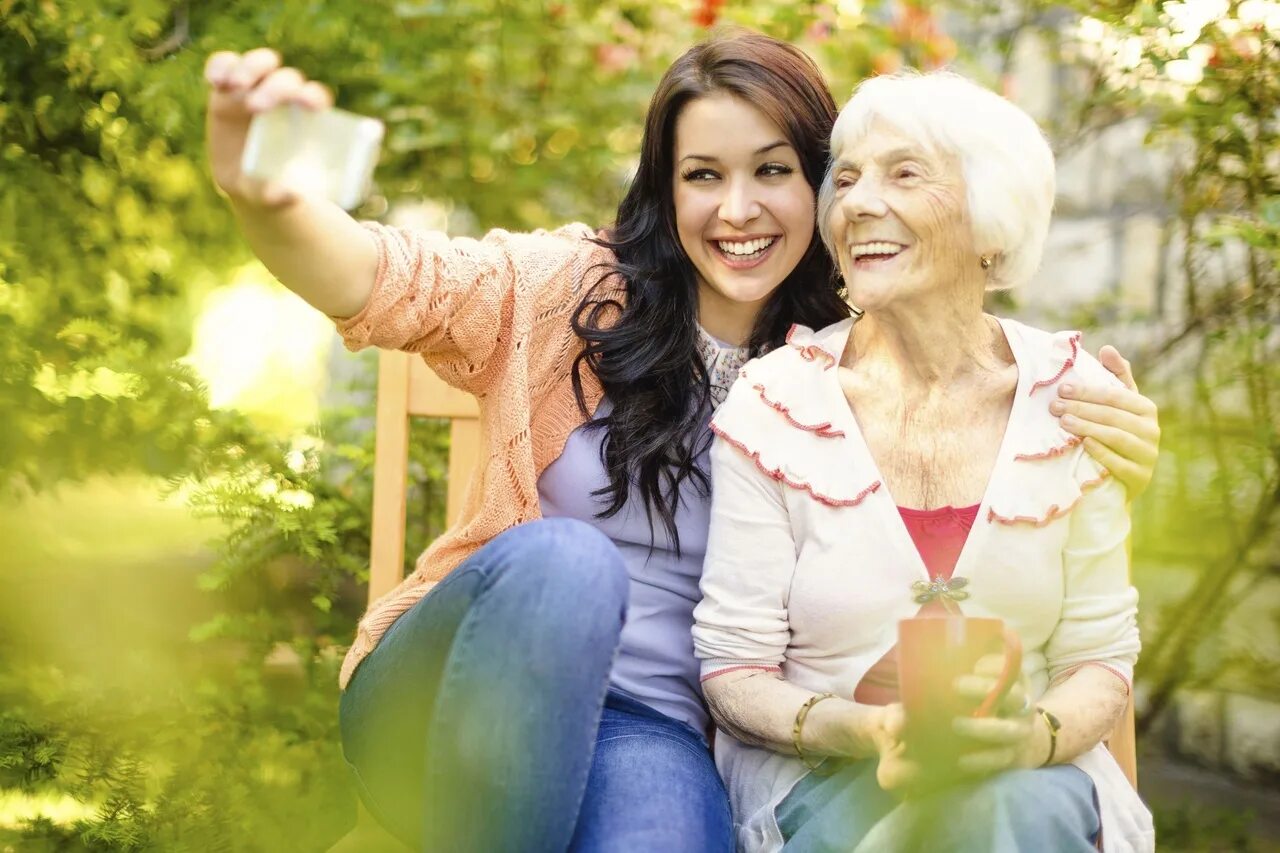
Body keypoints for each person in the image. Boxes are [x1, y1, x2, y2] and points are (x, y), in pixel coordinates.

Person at [203, 32, 1160, 852]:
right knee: (569, 564)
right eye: (703, 175)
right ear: (666, 189)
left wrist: (1107, 439)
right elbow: (381, 276)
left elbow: (986, 475)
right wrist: (270, 200)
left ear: (824, 188)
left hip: (655, 730)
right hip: (460, 695)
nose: (736, 210)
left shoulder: (847, 356)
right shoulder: (566, 293)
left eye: (773, 171)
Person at [691, 69, 1156, 852]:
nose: (858, 203)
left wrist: (1029, 739)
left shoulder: (1074, 400)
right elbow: (735, 669)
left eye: (905, 173)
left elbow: (1097, 654)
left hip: (1032, 781)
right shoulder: (774, 404)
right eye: (846, 180)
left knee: (1001, 809)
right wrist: (867, 730)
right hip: (829, 779)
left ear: (993, 220)